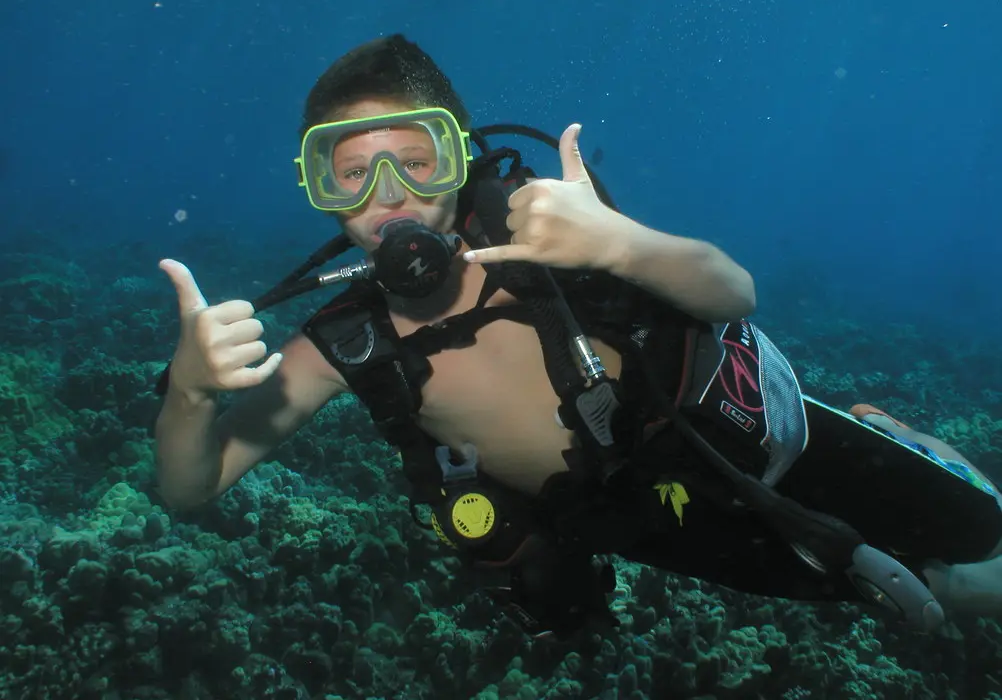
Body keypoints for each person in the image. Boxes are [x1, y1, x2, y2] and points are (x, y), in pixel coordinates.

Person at [154, 34, 1002, 639]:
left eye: (417, 160)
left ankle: (898, 435)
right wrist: (190, 395)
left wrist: (620, 245)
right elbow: (191, 490)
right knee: (939, 596)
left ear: (461, 160)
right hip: (660, 527)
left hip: (774, 434)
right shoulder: (344, 342)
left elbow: (734, 290)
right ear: (321, 189)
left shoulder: (555, 232)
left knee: (986, 569)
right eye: (352, 171)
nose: (390, 194)